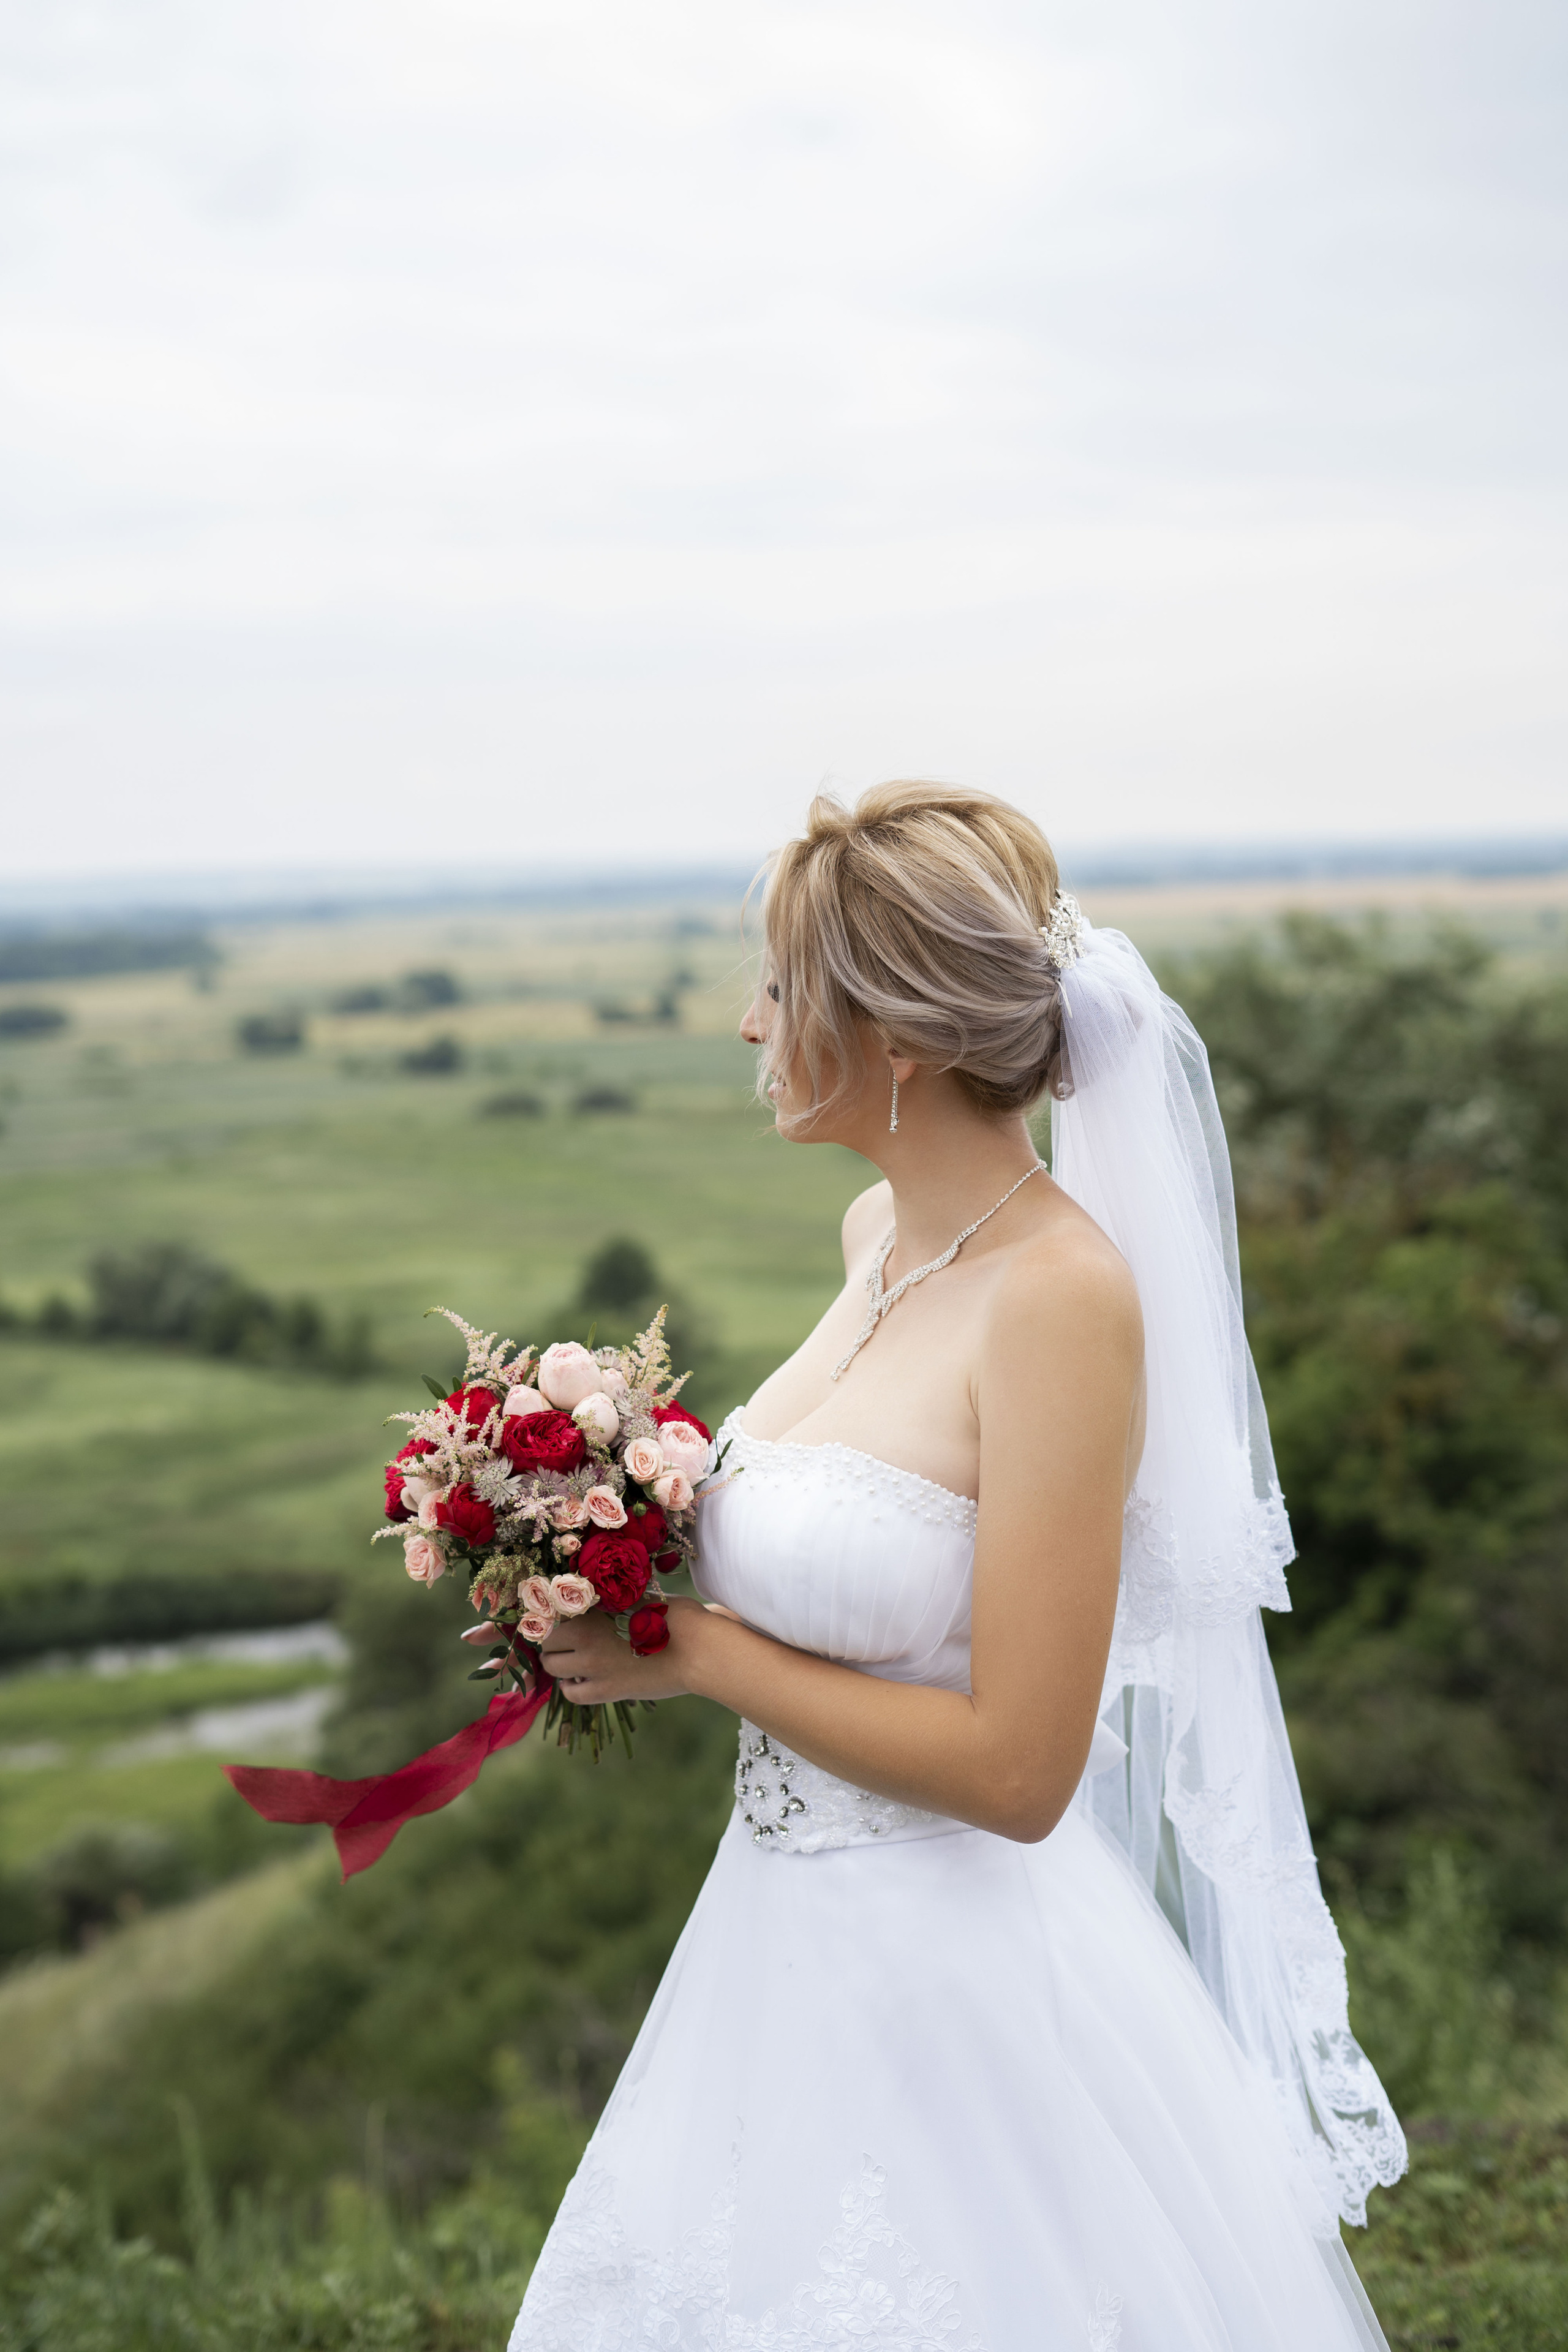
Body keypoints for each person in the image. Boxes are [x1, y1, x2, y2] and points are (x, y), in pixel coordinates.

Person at [511, 783, 1404, 2351]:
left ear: (897, 1036)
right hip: (771, 1947)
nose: (746, 1026)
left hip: (963, 1989)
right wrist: (600, 1534)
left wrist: (700, 1657)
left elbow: (1019, 1768)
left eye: (781, 990)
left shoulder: (1062, 1301)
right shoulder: (879, 1232)